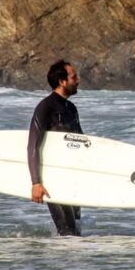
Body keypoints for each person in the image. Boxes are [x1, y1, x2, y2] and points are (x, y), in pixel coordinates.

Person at [27, 60, 83, 236]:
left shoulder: (71, 108)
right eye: (74, 77)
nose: (78, 80)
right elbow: (33, 144)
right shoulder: (46, 107)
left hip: (71, 177)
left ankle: (75, 263)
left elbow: (82, 143)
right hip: (53, 177)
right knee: (67, 232)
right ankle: (60, 263)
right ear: (62, 81)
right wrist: (36, 182)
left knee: (77, 230)